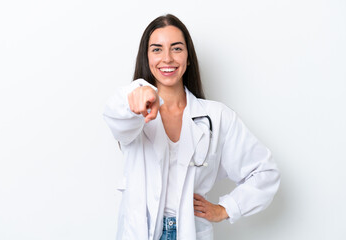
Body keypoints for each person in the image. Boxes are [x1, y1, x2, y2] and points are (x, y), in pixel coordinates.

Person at [103, 14, 280, 240]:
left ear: (188, 58)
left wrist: (227, 209)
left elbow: (265, 172)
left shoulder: (217, 116)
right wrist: (138, 94)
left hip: (191, 231)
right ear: (146, 58)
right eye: (157, 49)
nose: (167, 58)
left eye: (176, 49)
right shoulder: (133, 110)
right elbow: (114, 115)